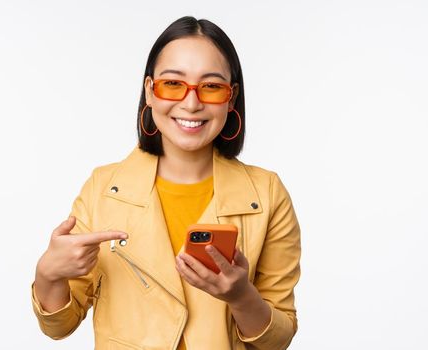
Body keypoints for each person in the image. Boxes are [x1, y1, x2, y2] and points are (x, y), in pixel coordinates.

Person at [31, 15, 301, 350]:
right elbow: (59, 325)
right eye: (173, 84)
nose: (191, 103)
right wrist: (49, 273)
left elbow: (278, 338)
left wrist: (241, 296)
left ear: (231, 99)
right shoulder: (104, 188)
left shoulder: (267, 194)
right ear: (150, 92)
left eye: (211, 87)